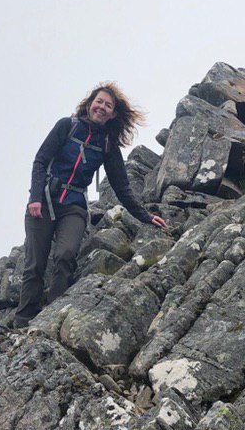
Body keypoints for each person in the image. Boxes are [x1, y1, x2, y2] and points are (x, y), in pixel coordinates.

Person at [13, 82, 167, 328]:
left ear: (113, 114)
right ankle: (22, 322)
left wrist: (146, 217)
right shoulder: (67, 126)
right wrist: (35, 198)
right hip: (45, 201)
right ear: (89, 104)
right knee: (35, 264)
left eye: (108, 105)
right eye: (99, 102)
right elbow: (40, 161)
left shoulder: (107, 145)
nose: (102, 107)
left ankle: (51, 317)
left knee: (66, 255)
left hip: (74, 207)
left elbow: (122, 188)